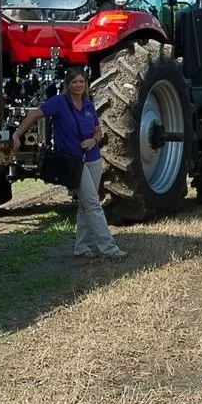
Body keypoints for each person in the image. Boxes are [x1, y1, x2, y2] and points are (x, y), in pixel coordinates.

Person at [15, 65, 124, 259]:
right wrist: (17, 134)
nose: (79, 85)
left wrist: (94, 140)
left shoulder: (89, 105)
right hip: (73, 161)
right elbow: (34, 115)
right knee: (92, 203)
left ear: (86, 84)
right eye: (74, 82)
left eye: (82, 81)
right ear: (68, 84)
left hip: (93, 158)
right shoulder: (58, 102)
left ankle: (81, 247)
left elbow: (98, 130)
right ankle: (109, 248)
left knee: (85, 205)